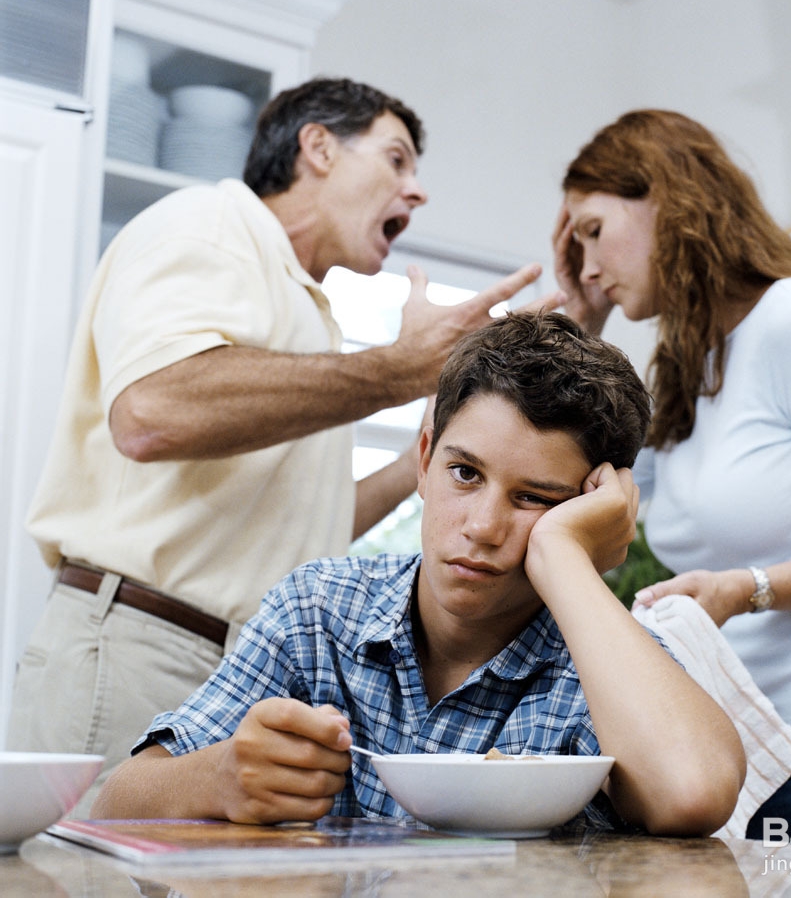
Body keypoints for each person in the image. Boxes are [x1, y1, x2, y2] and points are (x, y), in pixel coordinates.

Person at [8, 77, 556, 814]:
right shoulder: (207, 226)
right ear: (318, 147)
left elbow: (314, 525)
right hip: (141, 646)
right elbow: (150, 411)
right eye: (396, 160)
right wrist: (396, 371)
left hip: (231, 660)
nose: (416, 190)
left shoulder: (310, 314)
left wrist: (433, 461)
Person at [92, 311, 746, 837]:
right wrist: (220, 777)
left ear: (586, 511)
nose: (482, 526)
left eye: (534, 498)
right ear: (426, 458)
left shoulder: (603, 664)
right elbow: (116, 802)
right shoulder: (318, 608)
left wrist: (564, 560)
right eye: (465, 473)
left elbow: (692, 791)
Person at [551, 109, 791, 843]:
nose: (587, 264)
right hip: (735, 756)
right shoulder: (690, 364)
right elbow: (606, 504)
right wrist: (582, 326)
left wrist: (749, 587)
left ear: (664, 200)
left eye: (593, 231)